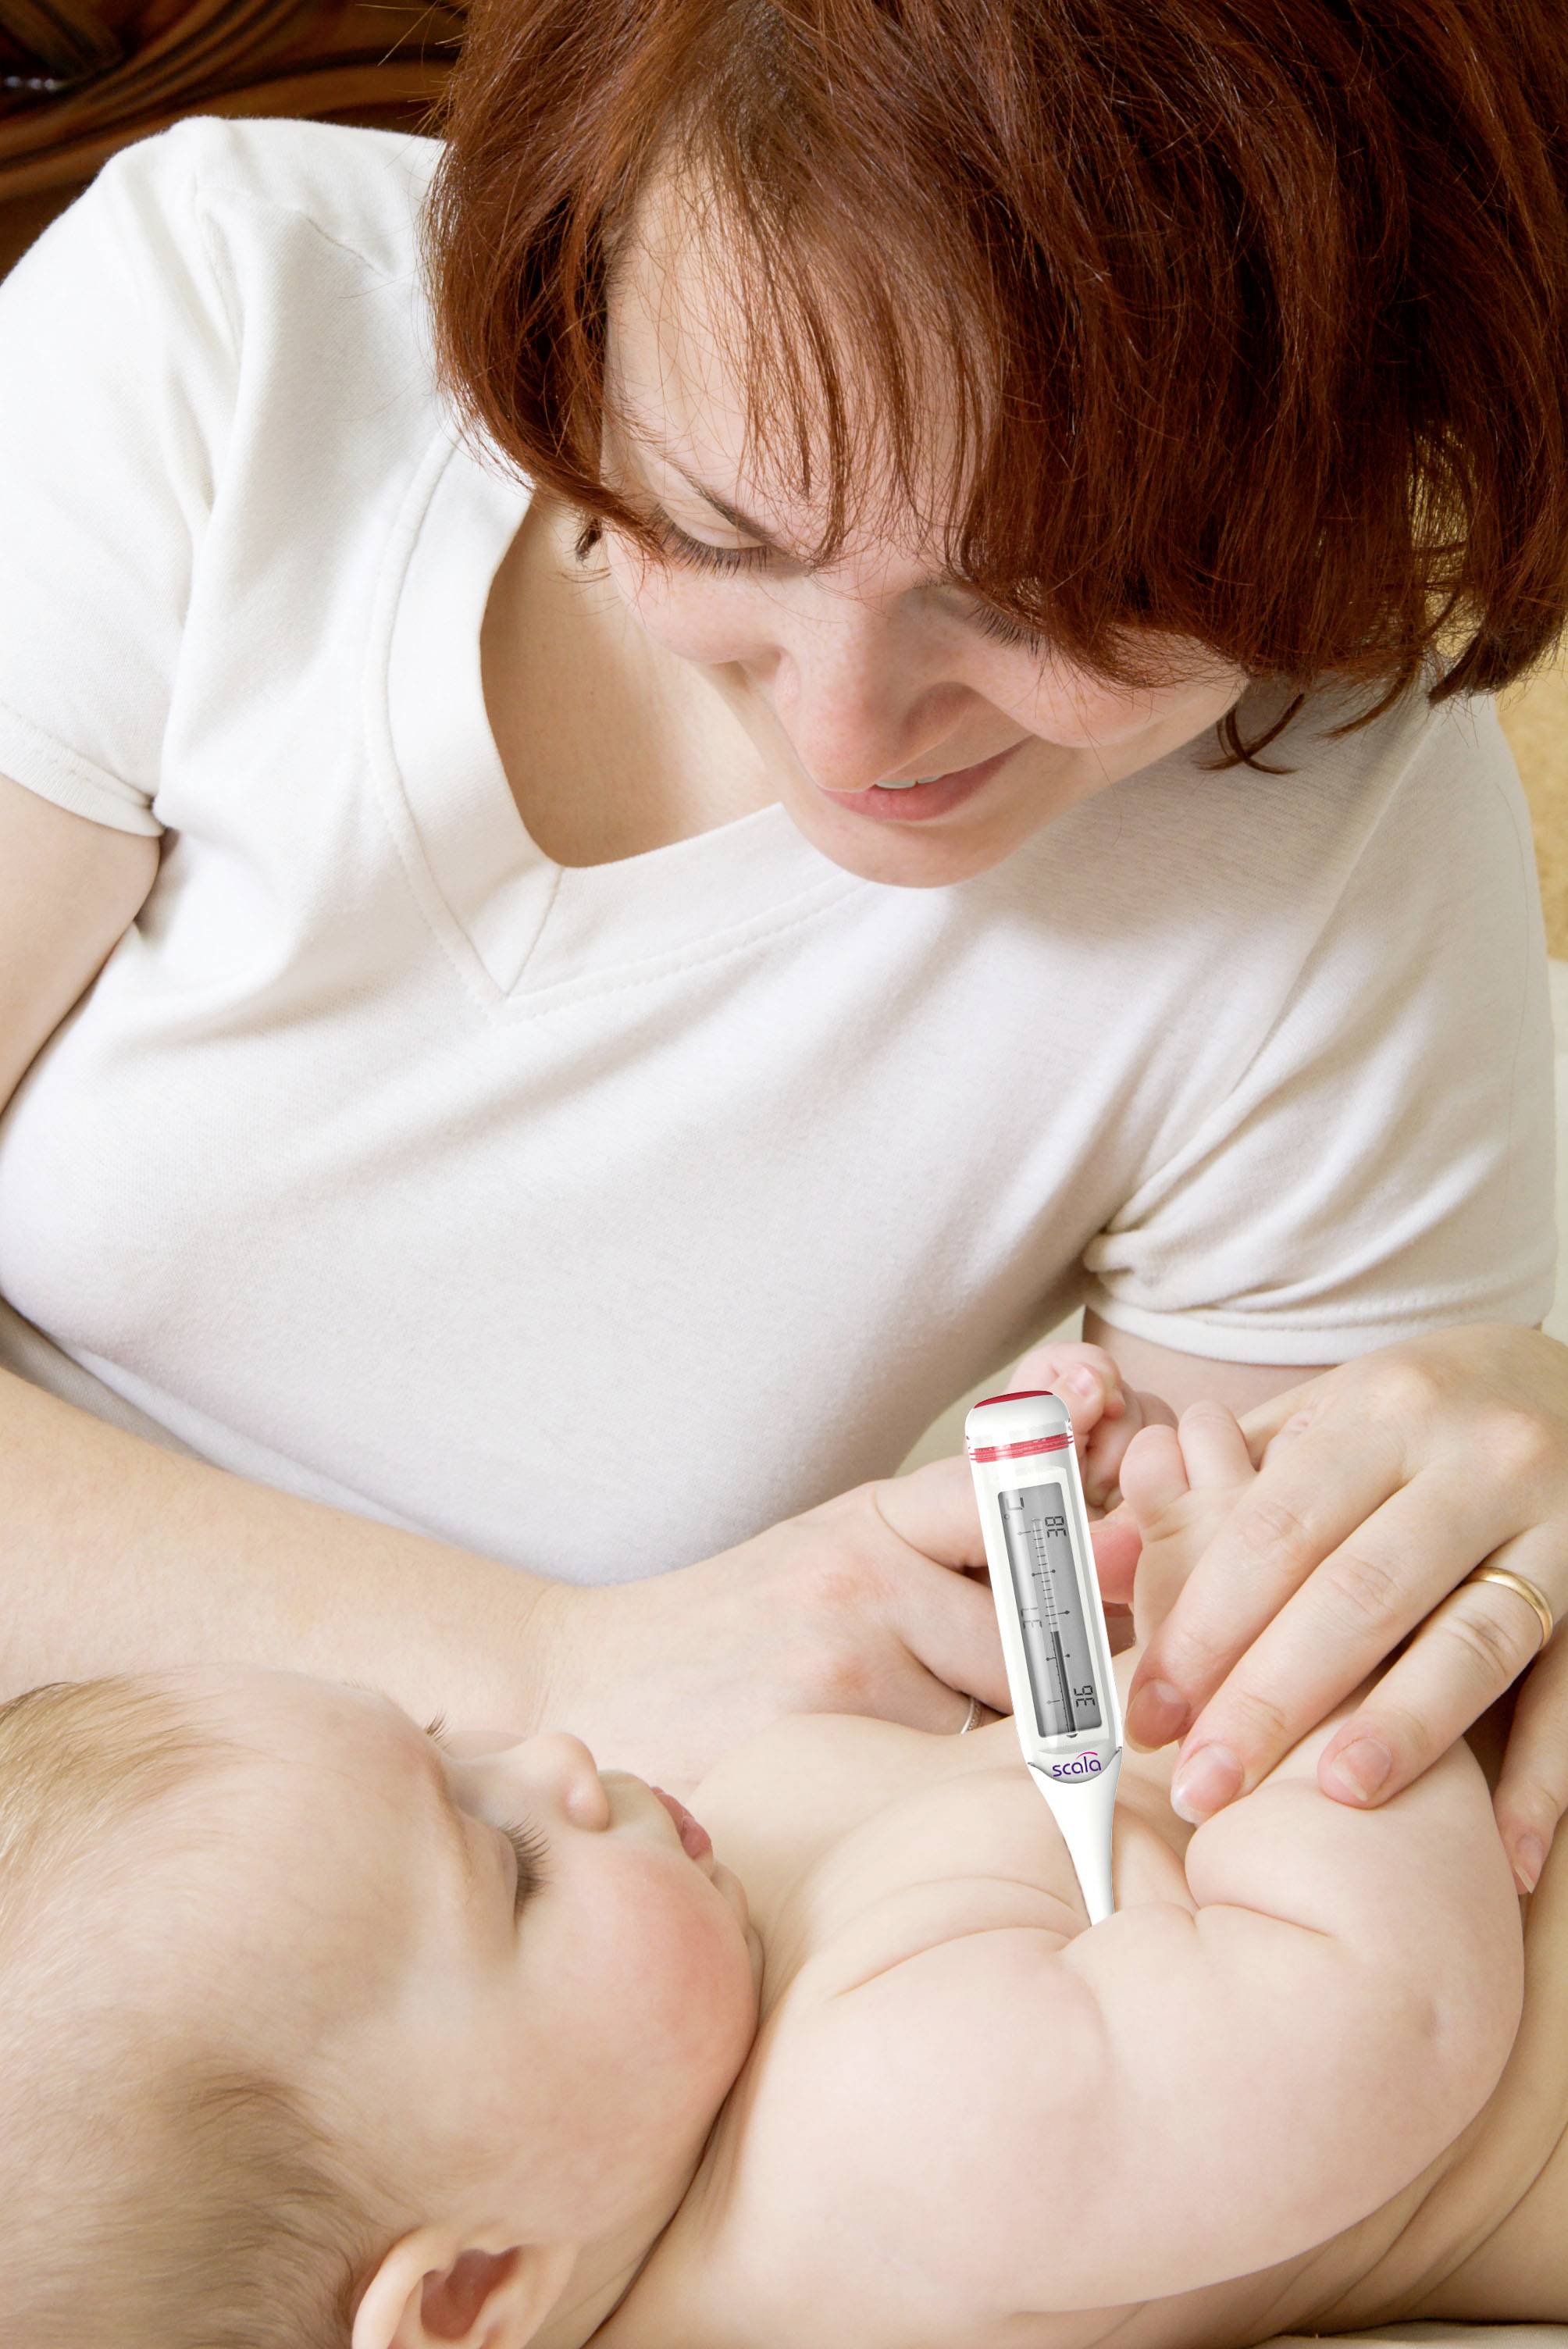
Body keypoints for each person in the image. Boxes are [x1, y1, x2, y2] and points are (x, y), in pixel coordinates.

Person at [1, 0, 1566, 1880]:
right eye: (712, 530)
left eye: (1050, 603)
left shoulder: (1340, 839)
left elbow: (1198, 1856)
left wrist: (1448, 1544)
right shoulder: (231, 334)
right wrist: (559, 1668)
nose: (846, 738)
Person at [0, 1401, 1554, 2349]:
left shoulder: (681, 1977)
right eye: (506, 1858)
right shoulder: (885, 2151)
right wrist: (1279, 1654)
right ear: (472, 2290)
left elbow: (1028, 1800)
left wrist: (1084, 1578)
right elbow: (1380, 2005)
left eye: (441, 1735)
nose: (544, 1754)